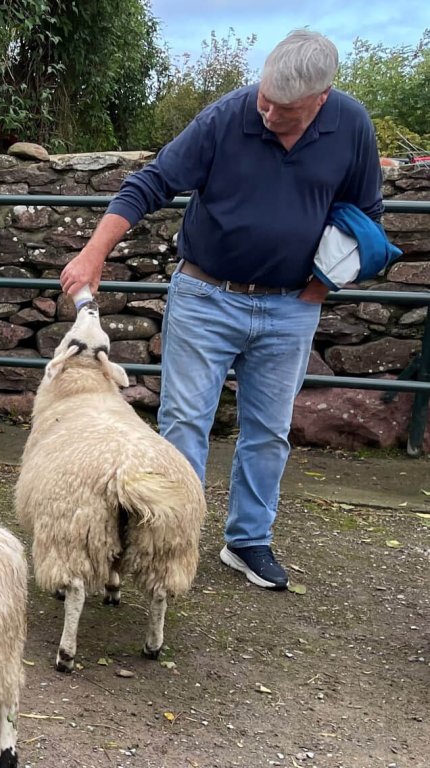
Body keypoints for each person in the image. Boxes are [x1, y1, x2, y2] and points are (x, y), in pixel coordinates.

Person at [60, 30, 383, 592]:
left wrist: (320, 289)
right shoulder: (228, 116)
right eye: (264, 96)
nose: (266, 110)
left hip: (290, 308)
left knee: (269, 430)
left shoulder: (351, 126)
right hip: (207, 295)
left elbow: (365, 214)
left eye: (282, 108)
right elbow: (152, 182)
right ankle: (170, 543)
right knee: (184, 423)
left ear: (320, 100)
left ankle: (247, 541)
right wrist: (93, 253)